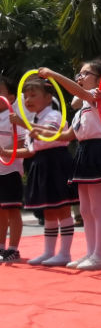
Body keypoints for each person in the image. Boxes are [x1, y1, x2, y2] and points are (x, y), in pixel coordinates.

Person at [37, 61, 101, 270]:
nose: (80, 77)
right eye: (78, 74)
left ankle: (99, 255)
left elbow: (77, 91)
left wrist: (53, 74)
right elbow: (68, 135)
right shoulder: (82, 109)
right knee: (86, 210)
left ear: (100, 80)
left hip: (99, 153)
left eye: (85, 73)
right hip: (84, 153)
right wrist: (39, 132)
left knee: (97, 208)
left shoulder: (98, 96)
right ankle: (90, 253)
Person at [7, 76, 78, 266]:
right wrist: (6, 152)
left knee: (62, 208)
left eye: (33, 95)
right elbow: (30, 150)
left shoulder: (54, 115)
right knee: (48, 210)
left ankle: (65, 253)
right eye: (26, 96)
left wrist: (23, 123)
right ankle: (49, 252)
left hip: (56, 161)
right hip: (41, 163)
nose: (28, 100)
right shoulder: (34, 118)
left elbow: (50, 133)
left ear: (48, 97)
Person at [0, 76, 27, 263]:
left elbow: (23, 142)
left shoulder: (13, 117)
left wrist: (6, 152)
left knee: (12, 210)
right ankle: (1, 246)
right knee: (1, 211)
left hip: (10, 170)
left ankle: (13, 249)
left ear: (10, 97)